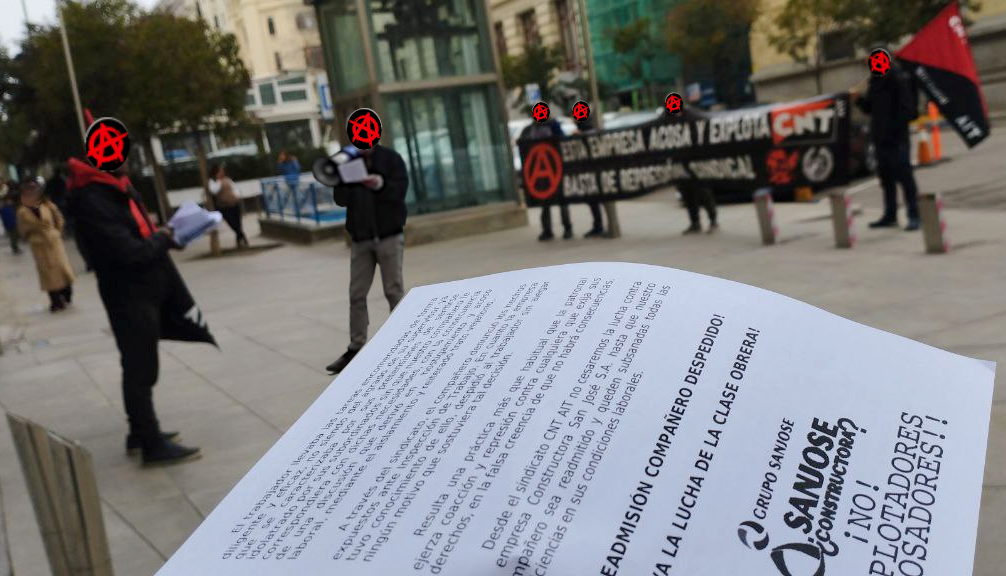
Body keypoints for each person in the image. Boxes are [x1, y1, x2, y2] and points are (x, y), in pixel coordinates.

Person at [68, 157, 208, 465]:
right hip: (128, 294)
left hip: (140, 291)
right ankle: (152, 445)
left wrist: (166, 235)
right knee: (140, 370)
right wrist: (163, 239)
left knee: (138, 365)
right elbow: (128, 252)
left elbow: (138, 233)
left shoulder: (116, 190)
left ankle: (139, 433)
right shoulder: (96, 199)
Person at [325, 144, 409, 375]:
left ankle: (404, 345)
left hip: (388, 235)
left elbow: (401, 190)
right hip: (361, 238)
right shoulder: (348, 162)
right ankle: (356, 348)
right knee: (357, 294)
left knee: (393, 291)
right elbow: (340, 199)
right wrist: (348, 180)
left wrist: (380, 185)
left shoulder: (390, 158)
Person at [855, 55, 920, 231]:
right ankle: (890, 214)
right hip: (879, 136)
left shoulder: (898, 77)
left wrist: (895, 130)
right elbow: (870, 107)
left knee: (904, 175)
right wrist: (858, 99)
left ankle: (914, 214)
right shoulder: (875, 80)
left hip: (897, 137)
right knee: (886, 177)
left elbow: (907, 109)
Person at [16, 178, 75, 312]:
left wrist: (57, 232)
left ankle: (67, 292)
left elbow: (59, 218)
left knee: (61, 268)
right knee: (46, 273)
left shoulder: (47, 205)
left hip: (53, 241)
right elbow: (22, 230)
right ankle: (55, 300)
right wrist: (30, 234)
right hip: (38, 244)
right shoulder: (22, 211)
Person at [520, 119, 572, 241]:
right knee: (545, 203)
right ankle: (547, 230)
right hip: (541, 174)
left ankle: (567, 228)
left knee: (562, 201)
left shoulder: (554, 126)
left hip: (555, 169)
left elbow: (562, 140)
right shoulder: (530, 129)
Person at [208, 164, 249, 248]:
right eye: (220, 171)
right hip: (224, 206)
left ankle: (240, 239)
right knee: (232, 223)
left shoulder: (227, 179)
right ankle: (242, 236)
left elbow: (234, 188)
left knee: (237, 222)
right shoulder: (213, 181)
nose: (222, 172)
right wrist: (219, 180)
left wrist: (237, 196)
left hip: (234, 203)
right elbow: (214, 191)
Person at [0, 180, 20, 255]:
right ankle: (14, 246)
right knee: (11, 230)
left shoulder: (6, 188)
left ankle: (15, 246)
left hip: (9, 210)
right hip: (4, 210)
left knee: (13, 230)